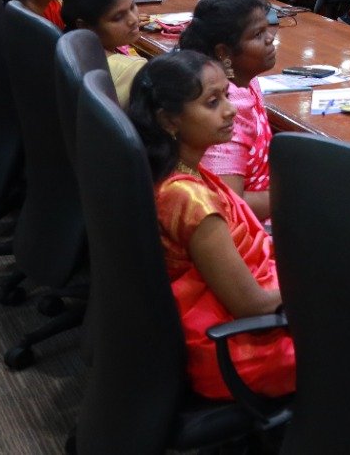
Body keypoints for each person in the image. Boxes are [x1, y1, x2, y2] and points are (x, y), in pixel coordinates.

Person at [125, 50, 295, 400]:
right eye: (212, 102)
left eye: (226, 96)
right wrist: (324, 291)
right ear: (170, 121)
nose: (230, 110)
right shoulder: (189, 201)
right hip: (238, 347)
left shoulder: (180, 170)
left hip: (233, 310)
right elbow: (252, 306)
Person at [178, 0, 278, 220]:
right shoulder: (226, 107)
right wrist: (297, 197)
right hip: (250, 229)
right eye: (257, 34)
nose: (270, 38)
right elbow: (228, 202)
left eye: (268, 29)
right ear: (223, 52)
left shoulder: (246, 81)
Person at [63, 0, 147, 107]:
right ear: (84, 25)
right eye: (117, 17)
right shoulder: (132, 70)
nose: (133, 20)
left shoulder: (67, 47)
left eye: (132, 6)